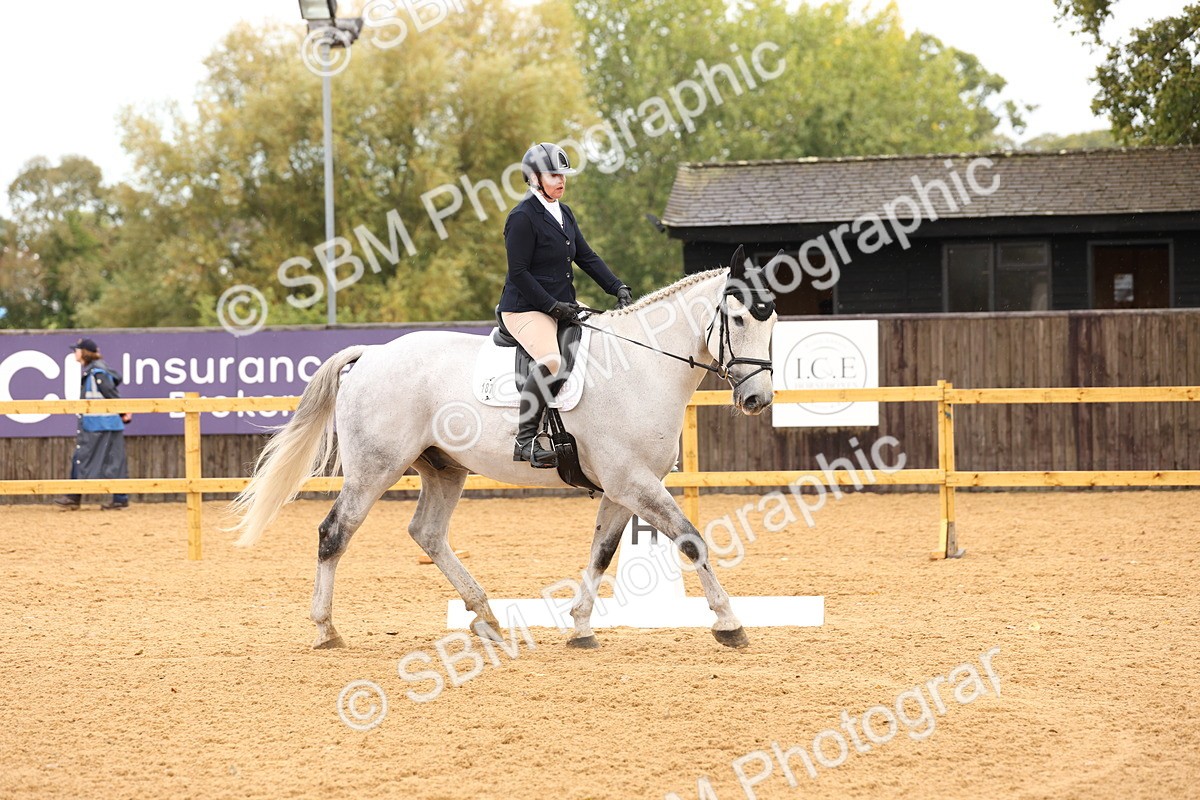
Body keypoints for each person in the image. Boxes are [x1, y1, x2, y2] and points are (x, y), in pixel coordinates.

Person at [499, 142, 634, 468]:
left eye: (563, 175)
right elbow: (518, 273)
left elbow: (586, 257)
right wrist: (552, 306)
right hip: (525, 307)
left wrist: (617, 287)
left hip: (561, 303)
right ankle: (526, 441)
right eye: (553, 175)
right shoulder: (522, 217)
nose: (561, 180)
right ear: (534, 178)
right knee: (552, 361)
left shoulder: (564, 213)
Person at [54, 337, 132, 510]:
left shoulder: (96, 372)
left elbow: (110, 393)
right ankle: (118, 498)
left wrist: (123, 411)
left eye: (77, 349)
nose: (75, 352)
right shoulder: (97, 370)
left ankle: (75, 497)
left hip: (98, 424)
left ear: (84, 353)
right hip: (106, 423)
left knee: (82, 459)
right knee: (112, 460)